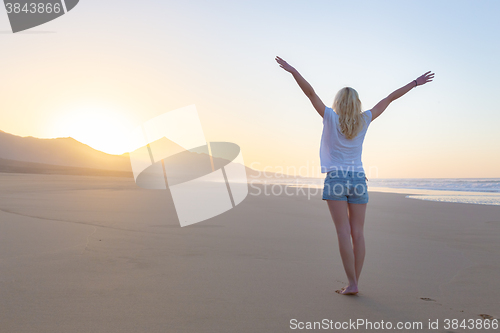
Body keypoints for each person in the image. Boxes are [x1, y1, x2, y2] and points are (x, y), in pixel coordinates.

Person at [275, 56, 434, 295]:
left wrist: (293, 71)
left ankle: (352, 284)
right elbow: (389, 98)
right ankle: (354, 282)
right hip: (359, 180)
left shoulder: (330, 117)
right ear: (357, 103)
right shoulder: (365, 119)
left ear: (338, 102)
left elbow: (310, 93)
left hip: (337, 179)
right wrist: (415, 83)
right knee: (357, 233)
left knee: (342, 232)